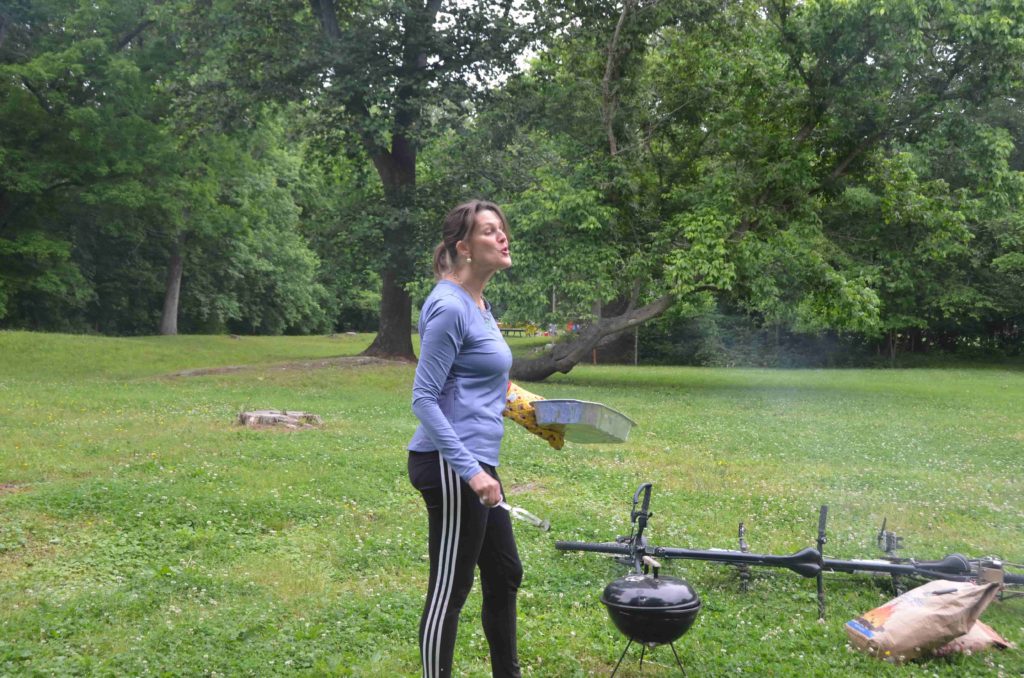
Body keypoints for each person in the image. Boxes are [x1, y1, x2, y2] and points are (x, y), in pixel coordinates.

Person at [407, 199, 521, 678]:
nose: (503, 237)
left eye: (501, 229)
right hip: (452, 464)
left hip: (476, 462)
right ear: (464, 247)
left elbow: (480, 382)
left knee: (504, 572)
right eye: (489, 231)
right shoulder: (450, 306)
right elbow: (424, 398)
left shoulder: (479, 304)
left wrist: (538, 413)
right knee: (449, 590)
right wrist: (471, 471)